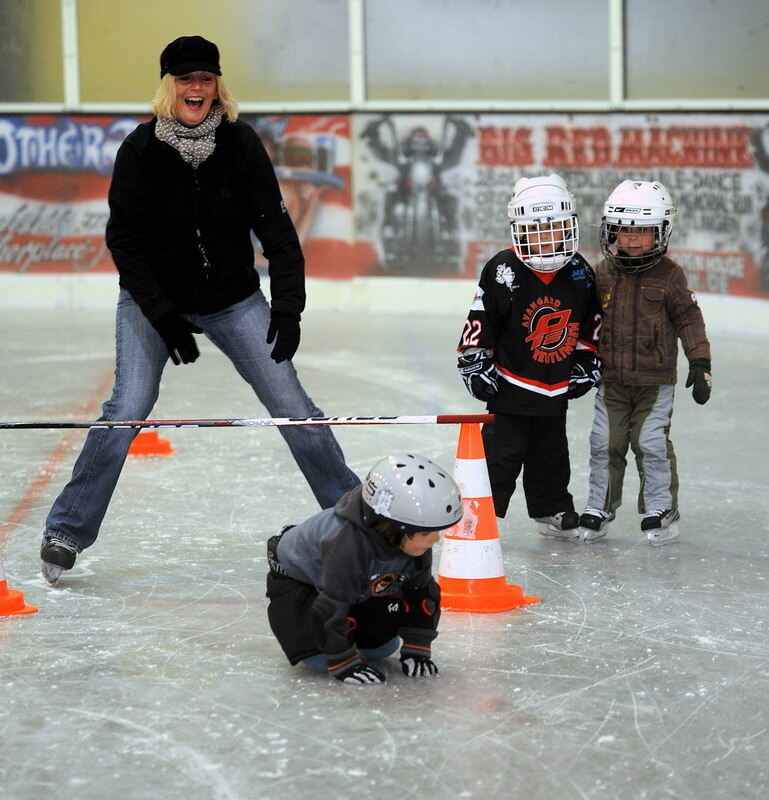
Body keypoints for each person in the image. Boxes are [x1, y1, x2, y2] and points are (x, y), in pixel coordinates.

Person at [39, 35, 360, 584]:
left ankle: (357, 521)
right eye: (185, 79)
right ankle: (66, 529)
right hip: (154, 302)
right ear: (168, 87)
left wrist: (288, 308)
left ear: (217, 87)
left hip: (233, 300)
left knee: (292, 403)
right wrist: (163, 317)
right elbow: (125, 243)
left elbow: (277, 230)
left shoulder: (240, 145)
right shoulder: (139, 151)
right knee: (128, 407)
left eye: (205, 79)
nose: (196, 88)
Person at [456, 174, 602, 541]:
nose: (545, 238)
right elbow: (481, 319)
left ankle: (552, 507)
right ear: (519, 230)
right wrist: (475, 361)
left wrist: (587, 363)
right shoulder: (503, 269)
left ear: (570, 226)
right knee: (500, 457)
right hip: (509, 386)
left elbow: (591, 324)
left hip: (555, 386)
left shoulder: (581, 272)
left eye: (554, 228)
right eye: (535, 230)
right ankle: (481, 510)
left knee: (551, 455)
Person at [579, 180, 711, 546]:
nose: (633, 239)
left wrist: (700, 362)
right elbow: (583, 321)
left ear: (661, 233)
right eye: (624, 231)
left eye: (643, 232)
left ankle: (660, 507)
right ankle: (599, 505)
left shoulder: (670, 276)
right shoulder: (602, 273)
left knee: (650, 442)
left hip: (655, 383)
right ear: (611, 231)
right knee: (605, 442)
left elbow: (689, 319)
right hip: (613, 382)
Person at [266, 453, 462, 684]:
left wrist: (417, 648)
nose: (435, 540)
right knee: (320, 661)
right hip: (299, 580)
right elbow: (330, 607)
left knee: (381, 648)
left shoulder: (411, 538)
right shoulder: (346, 544)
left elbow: (421, 593)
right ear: (396, 527)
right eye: (427, 533)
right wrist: (343, 662)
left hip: (360, 578)